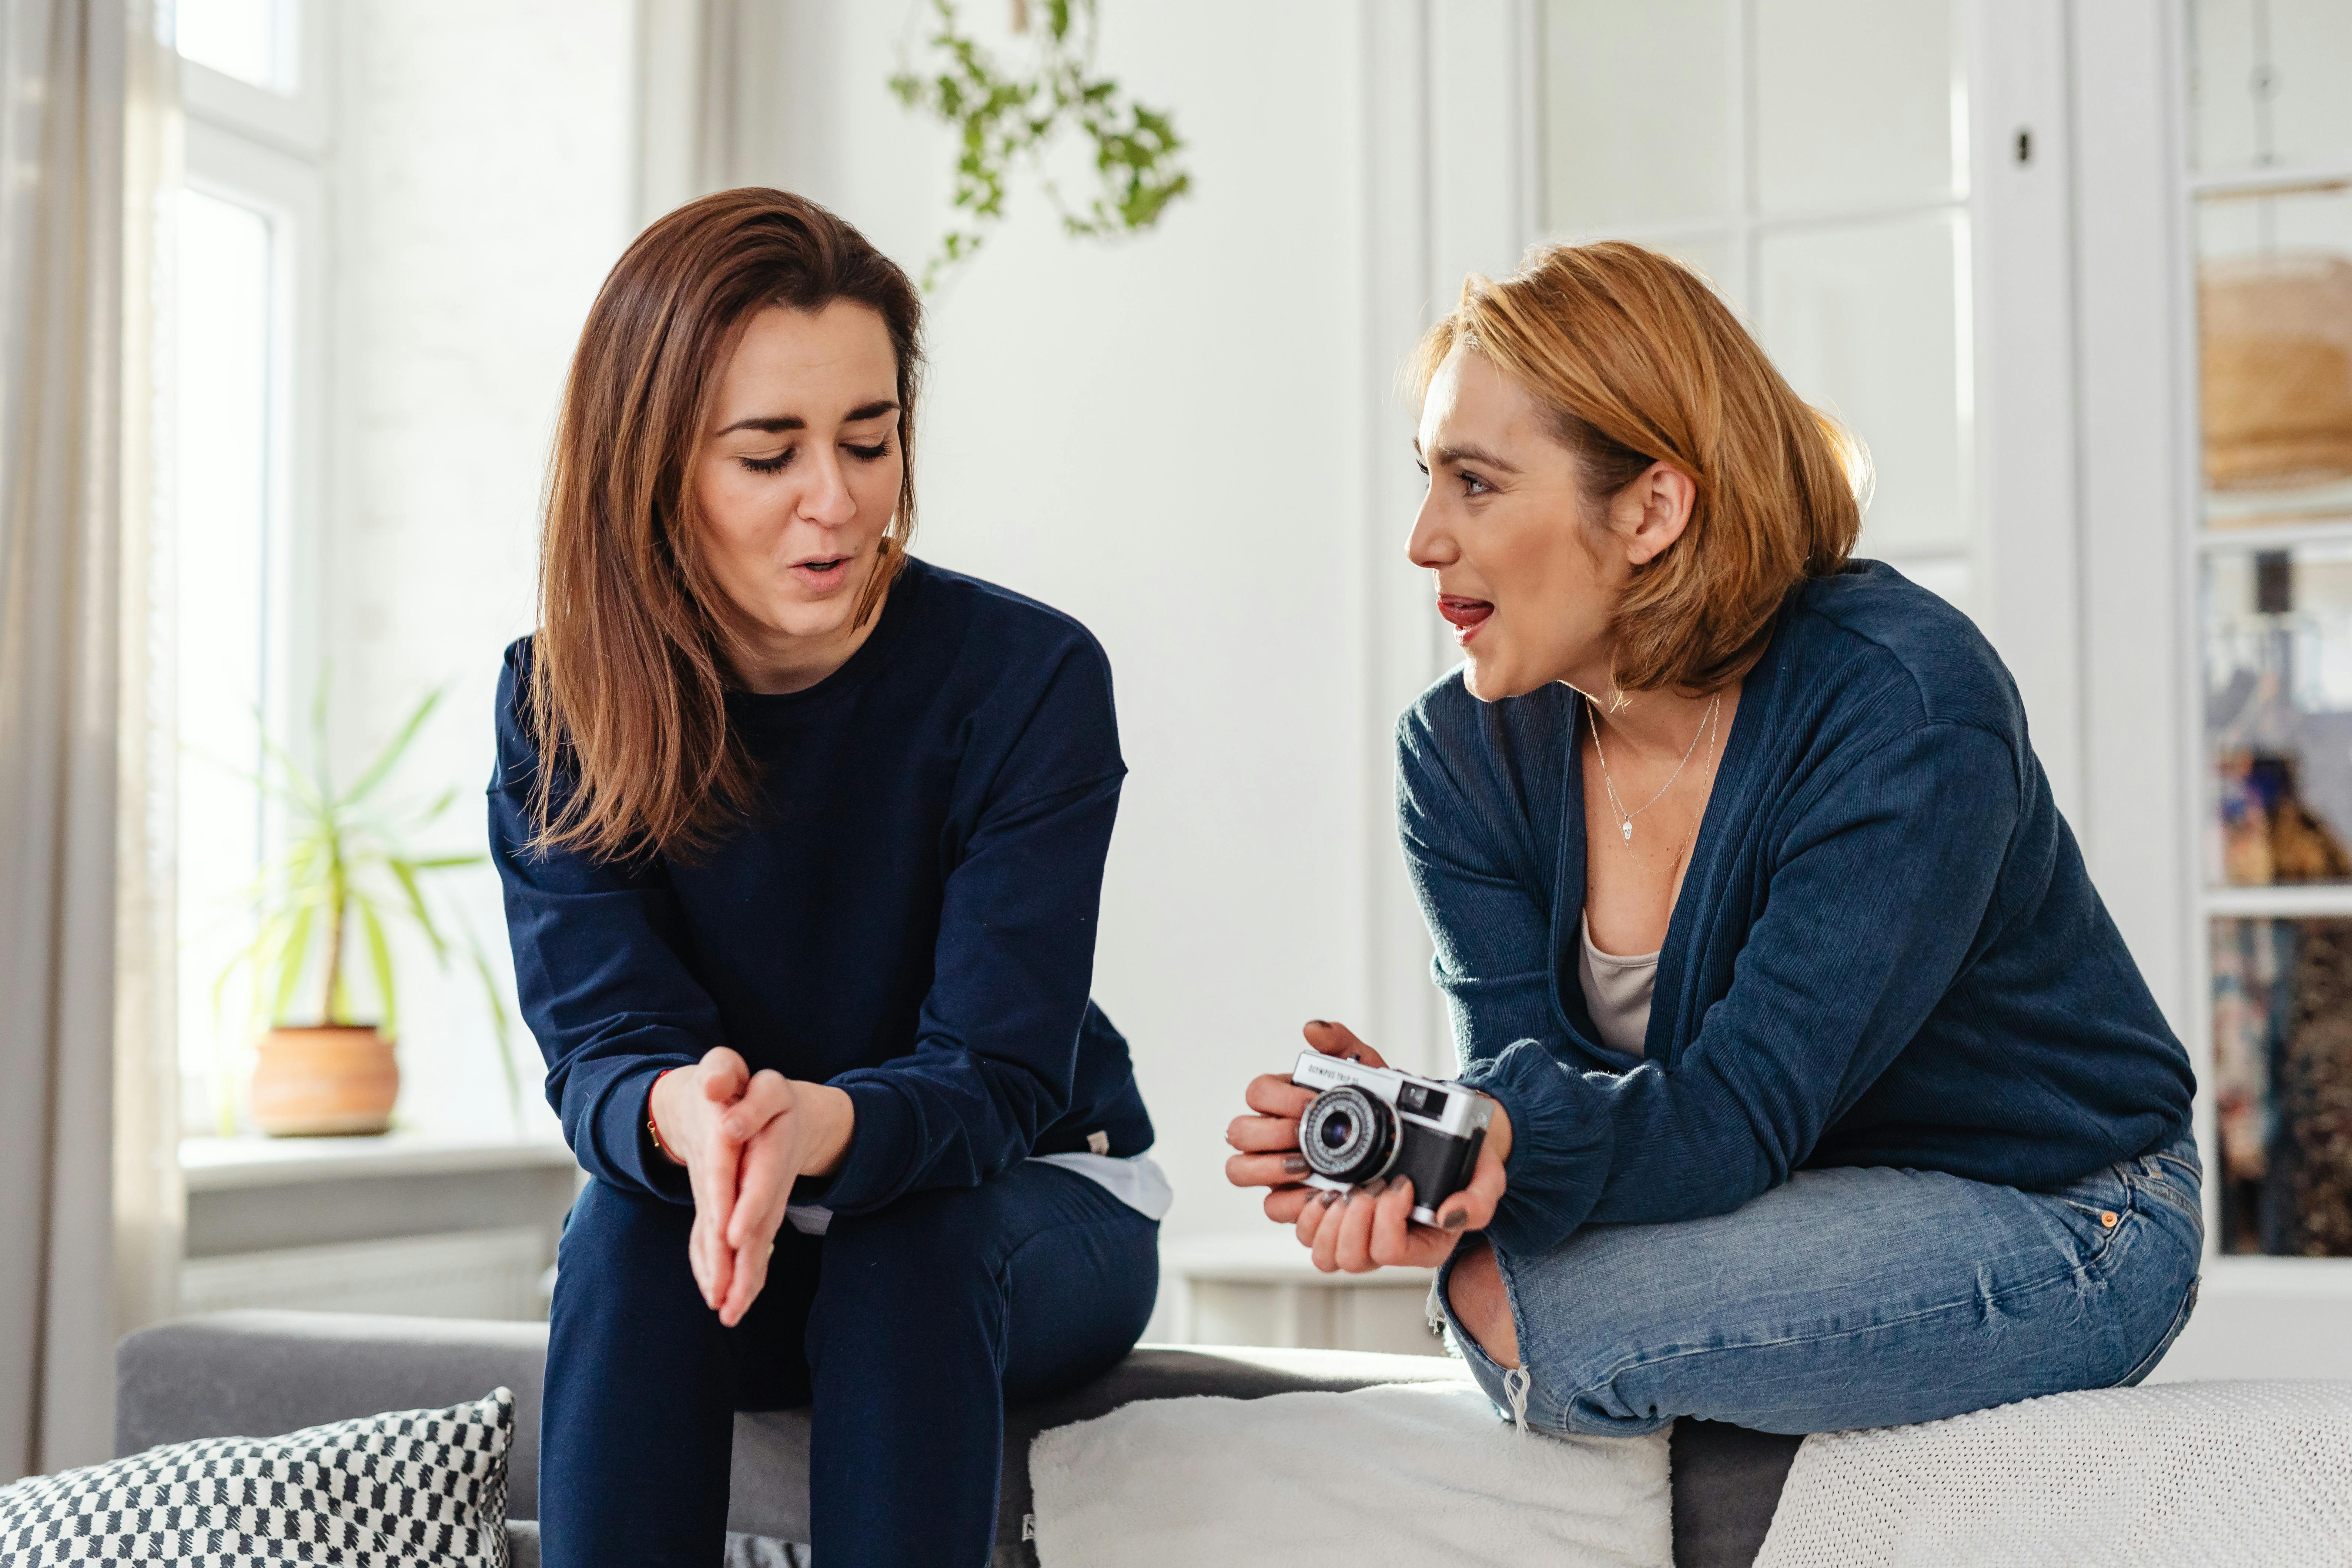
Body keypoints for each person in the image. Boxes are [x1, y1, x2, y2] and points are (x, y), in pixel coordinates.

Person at [1226, 240, 2201, 1438]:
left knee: (1540, 1312)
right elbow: (1543, 1085)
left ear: (1651, 508)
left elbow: (1740, 1109)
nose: (1423, 538)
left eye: (1474, 483)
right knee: (1495, 1278)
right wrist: (1448, 1149)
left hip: (2063, 1205)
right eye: (1426, 477)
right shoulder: (1460, 752)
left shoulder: (1902, 702)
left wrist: (1513, 1152)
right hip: (1783, 1191)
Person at [491, 188, 1167, 1568]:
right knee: (623, 1225)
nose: (839, 499)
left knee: (903, 1235)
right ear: (653, 466)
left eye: (870, 439)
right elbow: (603, 1042)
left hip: (1025, 1195)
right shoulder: (563, 699)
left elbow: (995, 1074)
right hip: (734, 1211)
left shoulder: (1028, 679)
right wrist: (696, 1117)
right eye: (769, 453)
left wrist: (817, 1124)